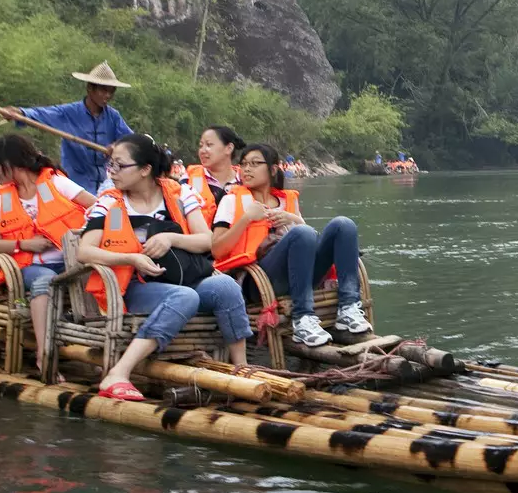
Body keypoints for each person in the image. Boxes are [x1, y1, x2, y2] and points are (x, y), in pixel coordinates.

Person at [78, 133, 252, 401]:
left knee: (225, 286)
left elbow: (207, 240)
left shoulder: (179, 193)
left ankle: (241, 369)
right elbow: (84, 251)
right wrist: (131, 258)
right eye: (110, 165)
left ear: (145, 169)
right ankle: (119, 373)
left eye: (119, 165)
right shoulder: (110, 202)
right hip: (135, 285)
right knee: (185, 296)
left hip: (182, 277)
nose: (111, 172)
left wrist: (171, 238)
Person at [213, 142, 370, 347]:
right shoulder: (231, 201)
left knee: (343, 225)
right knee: (301, 233)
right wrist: (246, 219)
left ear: (273, 169)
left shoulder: (287, 201)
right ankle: (302, 318)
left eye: (254, 163)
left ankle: (348, 307)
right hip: (258, 280)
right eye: (243, 164)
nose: (246, 169)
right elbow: (216, 249)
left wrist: (294, 219)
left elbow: (309, 239)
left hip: (300, 274)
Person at [0, 132, 93, 380]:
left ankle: (96, 348)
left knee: (96, 273)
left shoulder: (57, 184)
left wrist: (83, 234)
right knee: (44, 280)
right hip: (29, 266)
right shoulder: (3, 198)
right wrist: (25, 244)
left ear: (11, 163)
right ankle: (45, 354)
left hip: (69, 262)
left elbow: (97, 207)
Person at [2, 61, 131, 192]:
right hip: (74, 186)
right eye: (103, 90)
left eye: (111, 91)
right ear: (90, 88)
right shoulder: (69, 113)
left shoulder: (113, 117)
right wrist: (19, 113)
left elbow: (133, 141)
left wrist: (117, 146)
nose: (108, 96)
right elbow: (42, 114)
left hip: (104, 186)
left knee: (114, 211)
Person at [185, 124, 243, 228]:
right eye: (201, 145)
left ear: (229, 148)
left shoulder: (246, 180)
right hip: (199, 241)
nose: (202, 150)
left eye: (209, 145)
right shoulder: (188, 178)